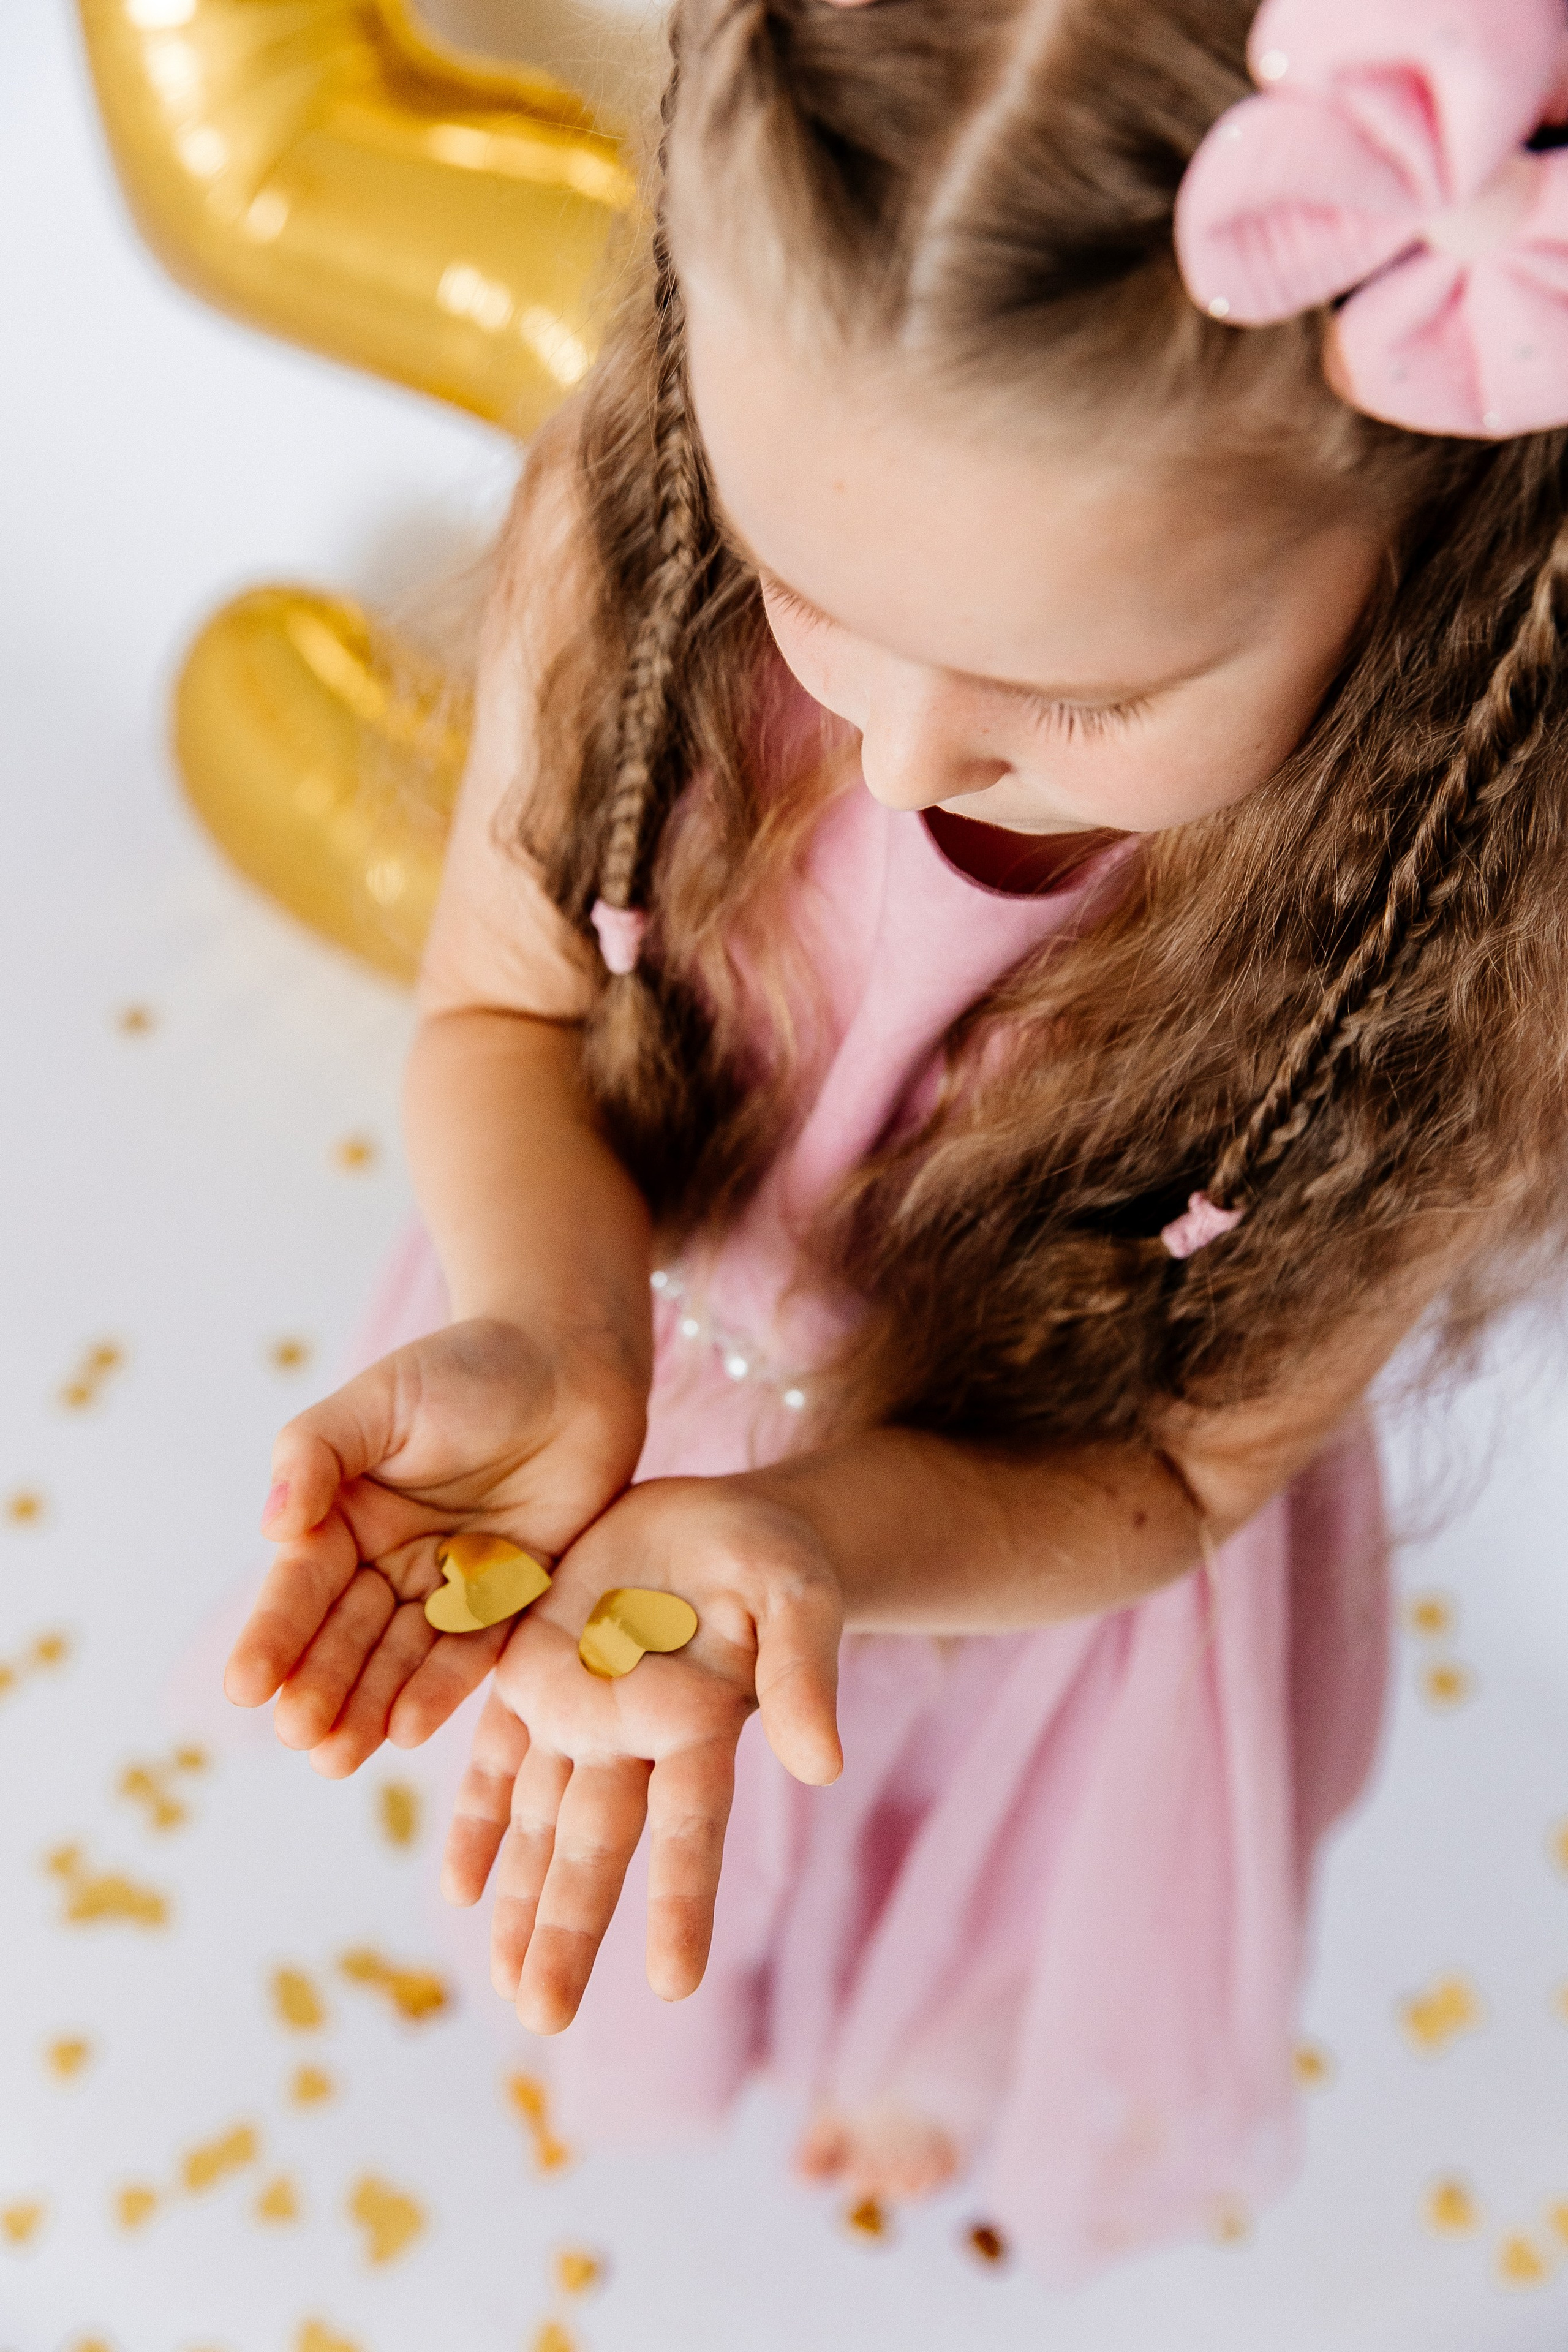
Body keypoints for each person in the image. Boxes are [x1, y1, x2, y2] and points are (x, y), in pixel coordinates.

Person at [222, 0, 1568, 2282]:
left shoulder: (1470, 899)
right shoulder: (626, 540)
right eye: (807, 590)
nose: (911, 757)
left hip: (1022, 1568)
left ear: (1435, 553)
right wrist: (560, 1341)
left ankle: (929, 2062)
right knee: (660, 1835)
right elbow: (498, 1013)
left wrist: (819, 1542)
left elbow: (1174, 1479)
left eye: (1081, 701)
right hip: (665, 1369)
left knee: (967, 1865)